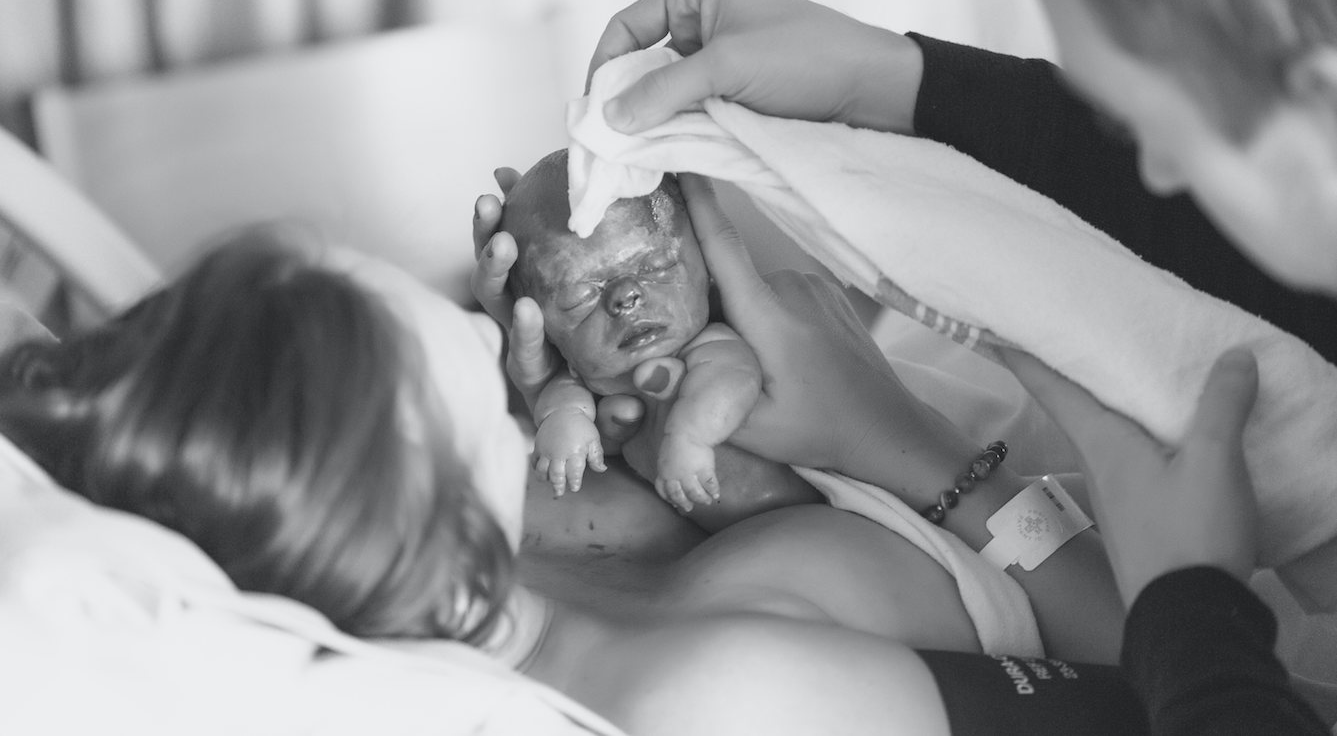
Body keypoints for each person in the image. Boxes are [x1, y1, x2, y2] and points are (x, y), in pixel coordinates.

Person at [490, 0, 1333, 732]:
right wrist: (892, 81)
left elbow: (1223, 694)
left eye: (1149, 124)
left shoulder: (711, 667)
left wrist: (1188, 604)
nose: (1151, 173)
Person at [0, 227, 1146, 736]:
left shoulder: (503, 531)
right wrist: (900, 440)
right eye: (445, 342)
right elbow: (1174, 699)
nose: (483, 330)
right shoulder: (714, 697)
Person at [499, 149, 761, 513]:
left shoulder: (713, 349)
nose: (625, 297)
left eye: (656, 267)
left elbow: (734, 381)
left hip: (801, 512)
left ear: (708, 270)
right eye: (580, 298)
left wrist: (690, 436)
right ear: (551, 337)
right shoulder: (583, 381)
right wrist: (562, 422)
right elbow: (561, 398)